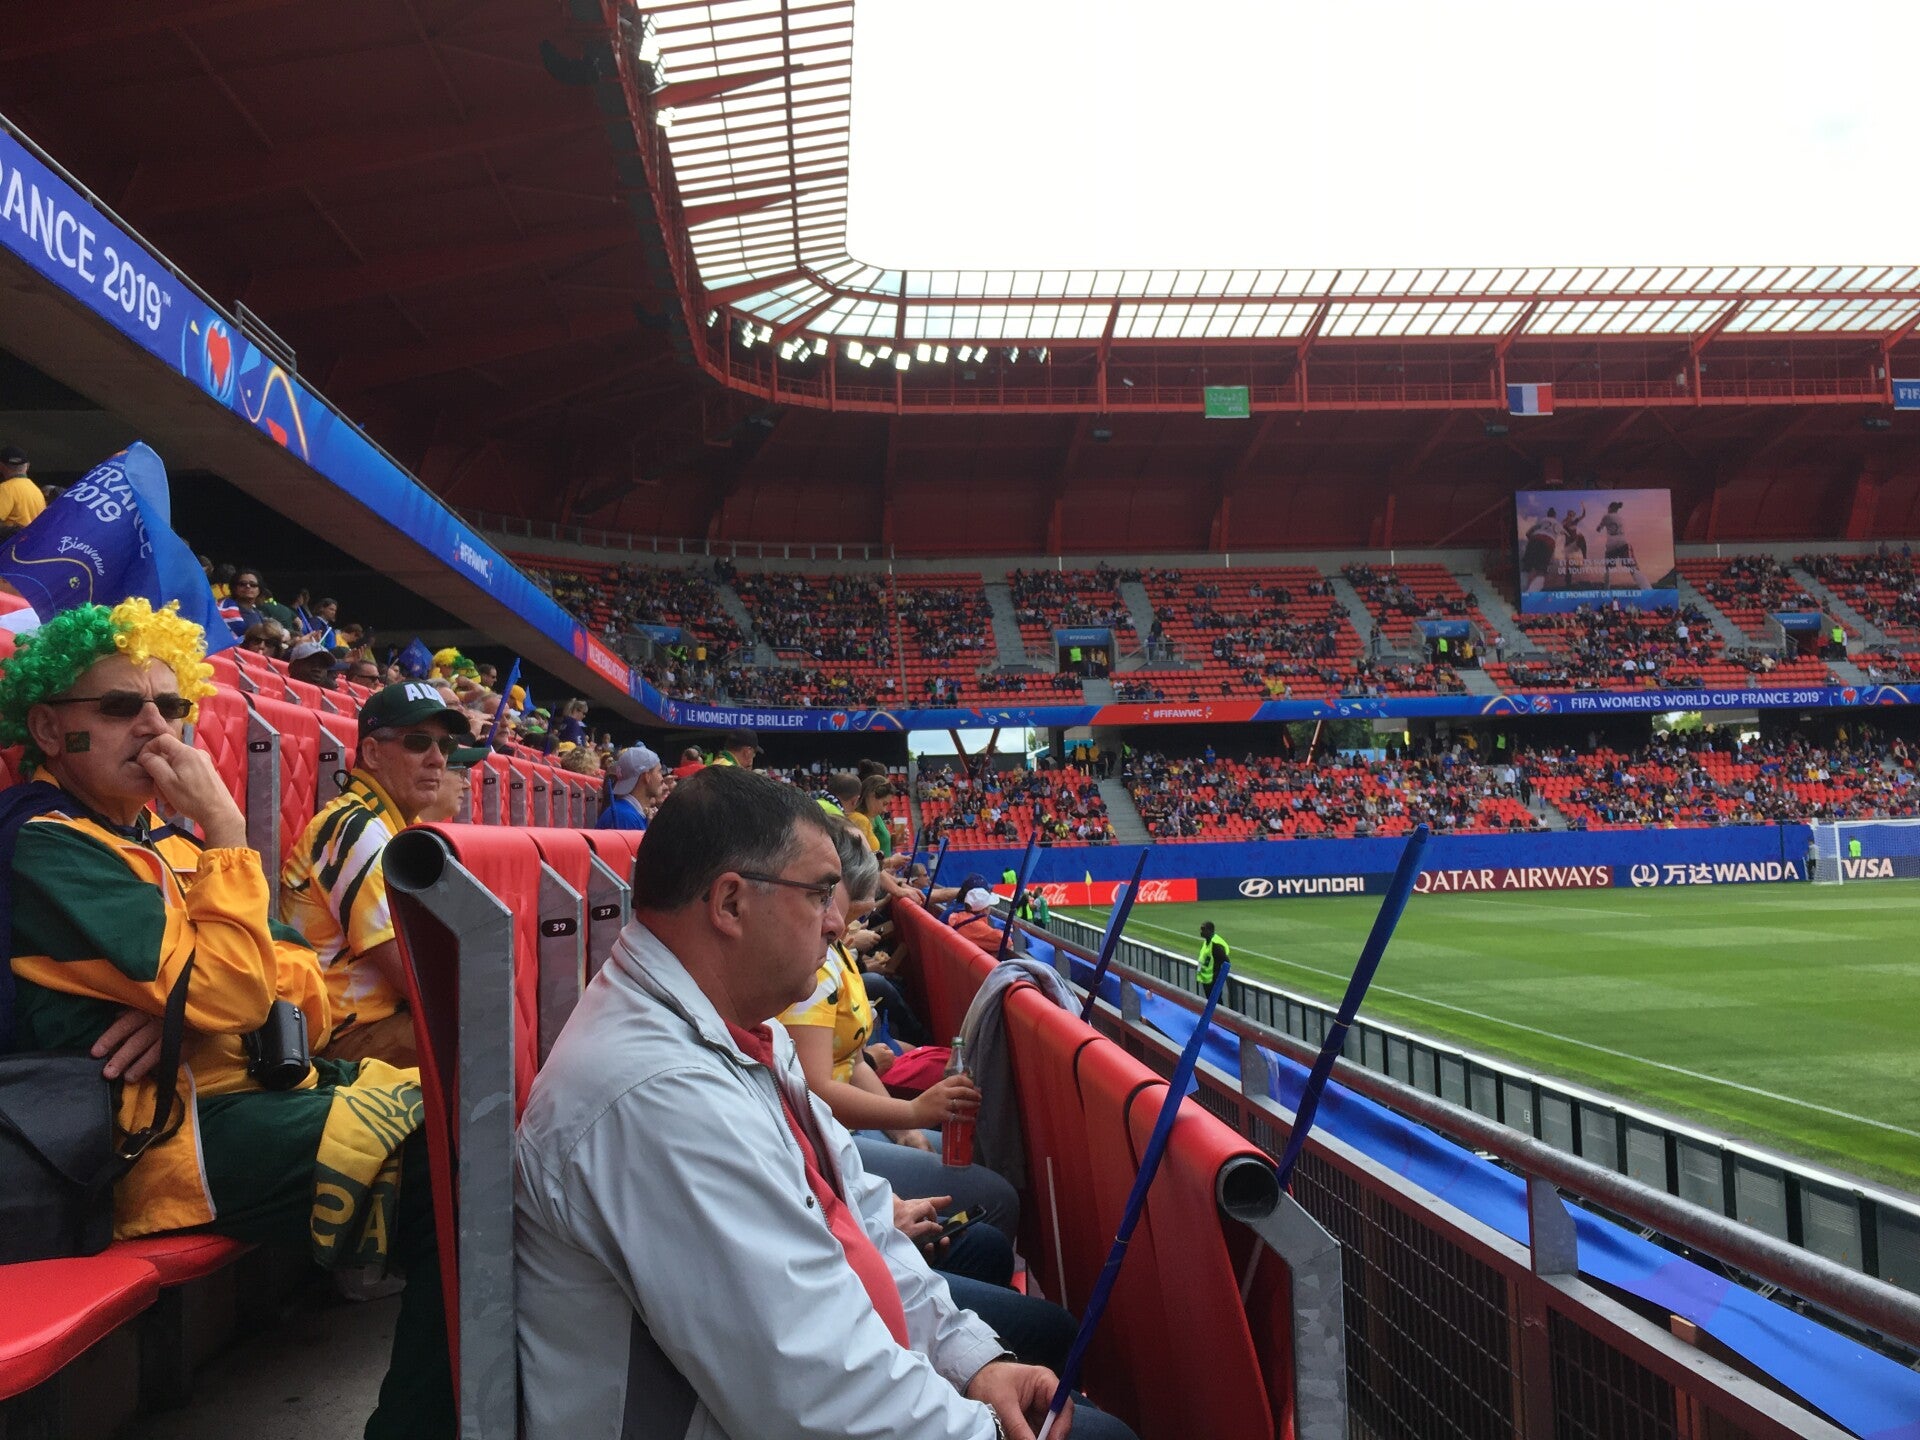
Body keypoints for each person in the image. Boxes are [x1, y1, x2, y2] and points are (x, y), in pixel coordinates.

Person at [515, 767, 1127, 1439]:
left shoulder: (744, 1032)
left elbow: (861, 1217)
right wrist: (986, 1427)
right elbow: (815, 1397)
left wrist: (974, 1364)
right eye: (818, 894)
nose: (838, 921)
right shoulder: (657, 1096)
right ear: (730, 903)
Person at [0, 599, 451, 1439]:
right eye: (120, 706)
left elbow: (305, 991)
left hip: (241, 1100)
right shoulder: (48, 844)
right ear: (50, 728)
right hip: (149, 1144)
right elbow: (243, 994)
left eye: (171, 706)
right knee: (453, 1175)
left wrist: (195, 1015)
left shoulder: (176, 846)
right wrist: (228, 834)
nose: (154, 727)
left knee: (483, 1138)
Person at [282, 681, 473, 1066]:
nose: (438, 759)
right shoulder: (354, 828)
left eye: (445, 745)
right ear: (371, 753)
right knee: (482, 1039)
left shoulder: (393, 825)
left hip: (384, 1024)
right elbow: (414, 976)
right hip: (344, 1041)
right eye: (418, 742)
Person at [597, 744, 664, 830]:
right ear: (647, 777)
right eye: (659, 771)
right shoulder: (625, 817)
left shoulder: (629, 813)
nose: (662, 778)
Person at [0, 444, 45, 534]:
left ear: (1, 466)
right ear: (27, 466)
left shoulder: (5, 489)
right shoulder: (36, 490)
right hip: (33, 541)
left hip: (14, 542)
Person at [1197, 920, 1230, 990]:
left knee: (1214, 997)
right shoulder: (1207, 942)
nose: (1201, 931)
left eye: (1203, 929)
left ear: (1210, 930)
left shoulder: (1216, 945)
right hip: (1206, 980)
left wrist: (1219, 980)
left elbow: (1226, 962)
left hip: (1213, 981)